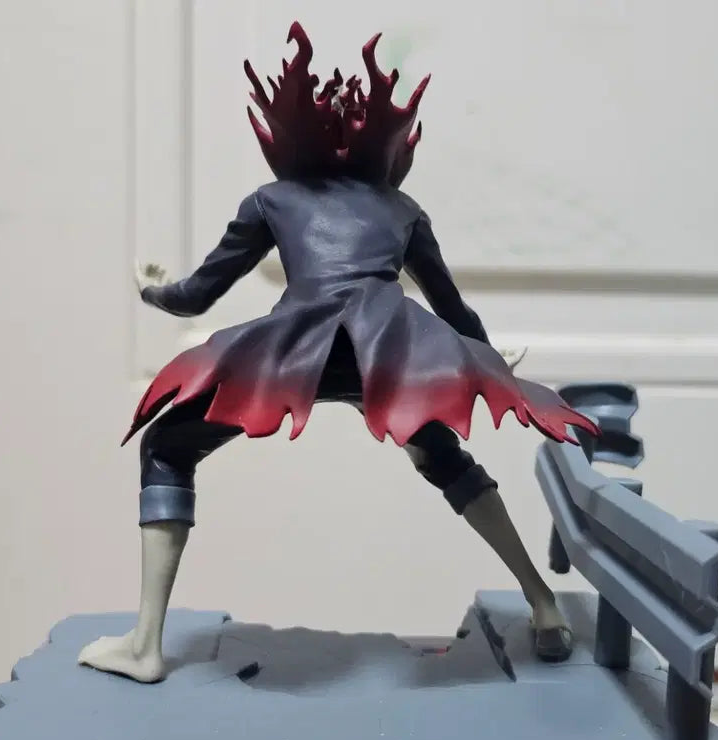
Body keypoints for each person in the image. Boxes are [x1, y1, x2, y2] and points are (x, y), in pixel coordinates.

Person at [78, 22, 598, 682]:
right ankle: (544, 604)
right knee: (443, 455)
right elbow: (453, 309)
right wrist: (489, 360)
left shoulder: (271, 200)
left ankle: (145, 645)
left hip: (296, 351)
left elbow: (200, 294)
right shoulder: (401, 208)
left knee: (167, 447)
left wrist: (154, 291)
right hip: (387, 353)